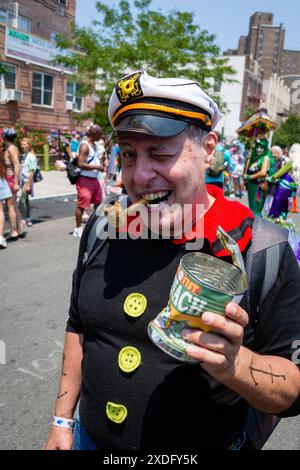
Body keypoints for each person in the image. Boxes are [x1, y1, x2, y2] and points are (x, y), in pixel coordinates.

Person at [45, 70, 300, 451]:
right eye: (129, 154)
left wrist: (236, 365)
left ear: (209, 148)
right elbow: (78, 327)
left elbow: (292, 388)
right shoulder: (104, 225)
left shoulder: (262, 247)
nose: (140, 175)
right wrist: (62, 422)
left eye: (161, 152)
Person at [72, 124, 104, 238]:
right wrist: (97, 167)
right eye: (100, 134)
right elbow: (80, 164)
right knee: (82, 205)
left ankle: (95, 227)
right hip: (84, 180)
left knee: (98, 203)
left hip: (94, 179)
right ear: (95, 134)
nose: (101, 136)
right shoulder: (85, 146)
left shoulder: (94, 145)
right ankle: (78, 228)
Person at [244, 139, 275, 216]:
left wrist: (250, 177)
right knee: (251, 209)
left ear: (265, 148)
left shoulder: (265, 158)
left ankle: (257, 227)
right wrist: (247, 160)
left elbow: (263, 172)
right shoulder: (254, 158)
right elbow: (247, 170)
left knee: (256, 211)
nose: (258, 149)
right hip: (252, 186)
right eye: (257, 147)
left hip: (259, 187)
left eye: (261, 148)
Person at [3, 128, 23, 239]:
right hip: (10, 179)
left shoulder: (11, 149)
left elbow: (16, 165)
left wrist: (15, 182)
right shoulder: (12, 148)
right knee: (14, 206)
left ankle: (13, 231)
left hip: (10, 179)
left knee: (10, 206)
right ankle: (18, 230)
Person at [0, 146, 17, 248]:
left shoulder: (10, 149)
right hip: (2, 180)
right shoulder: (3, 152)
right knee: (4, 208)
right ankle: (2, 236)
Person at [19, 137, 37, 227]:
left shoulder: (31, 156)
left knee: (21, 200)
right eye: (22, 144)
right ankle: (28, 218)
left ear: (29, 145)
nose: (22, 146)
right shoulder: (24, 155)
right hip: (23, 179)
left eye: (24, 144)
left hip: (27, 180)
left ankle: (23, 219)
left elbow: (32, 171)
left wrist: (28, 184)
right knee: (26, 200)